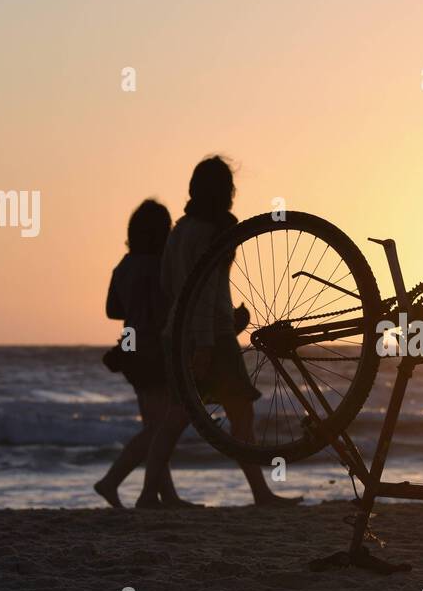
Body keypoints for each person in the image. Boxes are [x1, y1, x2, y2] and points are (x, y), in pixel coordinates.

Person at [140, 155, 297, 507]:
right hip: (209, 337)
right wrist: (209, 341)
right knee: (240, 414)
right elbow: (207, 287)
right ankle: (261, 493)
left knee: (178, 414)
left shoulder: (179, 230)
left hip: (178, 334)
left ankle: (150, 493)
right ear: (226, 192)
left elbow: (169, 285)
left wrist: (224, 320)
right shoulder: (216, 231)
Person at [94, 200, 198, 508]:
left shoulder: (123, 266)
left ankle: (164, 494)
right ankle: (111, 481)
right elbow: (163, 311)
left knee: (154, 425)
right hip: (153, 349)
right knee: (160, 427)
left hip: (129, 346)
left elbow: (113, 310)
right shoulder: (158, 266)